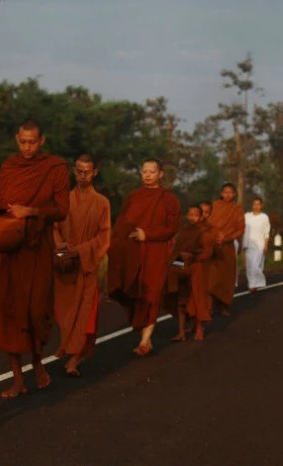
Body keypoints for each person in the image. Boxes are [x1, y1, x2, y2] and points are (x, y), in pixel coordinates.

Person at [0, 119, 70, 398]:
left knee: (35, 309)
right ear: (16, 139)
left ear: (42, 140)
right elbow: (1, 200)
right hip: (9, 248)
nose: (27, 147)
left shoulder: (55, 167)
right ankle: (17, 378)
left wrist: (31, 211)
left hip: (36, 248)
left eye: (32, 142)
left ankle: (38, 363)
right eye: (23, 142)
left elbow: (62, 209)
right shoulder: (9, 166)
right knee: (9, 312)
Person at [107, 158, 181, 356]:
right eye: (144, 171)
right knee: (136, 292)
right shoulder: (134, 197)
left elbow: (171, 229)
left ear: (160, 174)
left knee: (153, 293)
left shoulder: (169, 199)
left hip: (157, 252)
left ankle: (145, 340)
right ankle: (144, 333)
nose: (147, 175)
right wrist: (115, 245)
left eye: (152, 171)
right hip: (133, 252)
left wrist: (147, 234)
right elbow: (122, 225)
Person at [52, 153, 111, 377]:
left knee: (86, 316)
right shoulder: (64, 200)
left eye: (87, 171)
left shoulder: (102, 203)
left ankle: (74, 360)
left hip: (87, 266)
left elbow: (104, 237)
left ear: (94, 172)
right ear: (73, 171)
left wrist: (81, 251)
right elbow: (54, 228)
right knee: (65, 313)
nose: (82, 176)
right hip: (66, 266)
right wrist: (61, 246)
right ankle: (67, 347)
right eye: (78, 171)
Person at [165, 203, 213, 341]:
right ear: (186, 216)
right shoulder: (183, 231)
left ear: (201, 217)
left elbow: (207, 252)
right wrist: (175, 259)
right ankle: (181, 332)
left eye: (196, 215)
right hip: (181, 263)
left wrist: (193, 256)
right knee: (181, 299)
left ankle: (199, 329)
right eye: (190, 215)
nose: (193, 218)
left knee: (195, 299)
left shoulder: (203, 232)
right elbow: (175, 250)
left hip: (196, 266)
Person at [207, 182, 245, 317]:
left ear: (234, 194)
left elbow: (240, 229)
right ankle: (210, 306)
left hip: (228, 246)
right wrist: (214, 236)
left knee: (227, 278)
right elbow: (208, 223)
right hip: (213, 244)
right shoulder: (215, 206)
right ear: (221, 194)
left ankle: (224, 305)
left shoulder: (237, 209)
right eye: (225, 192)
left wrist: (227, 237)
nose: (227, 194)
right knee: (212, 276)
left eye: (230, 192)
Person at [243, 197, 271, 292]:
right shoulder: (247, 216)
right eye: (255, 204)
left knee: (257, 266)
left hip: (259, 245)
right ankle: (251, 284)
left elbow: (266, 232)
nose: (256, 206)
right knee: (250, 265)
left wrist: (266, 245)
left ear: (261, 205)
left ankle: (256, 283)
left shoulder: (264, 217)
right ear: (252, 205)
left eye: (258, 204)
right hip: (248, 244)